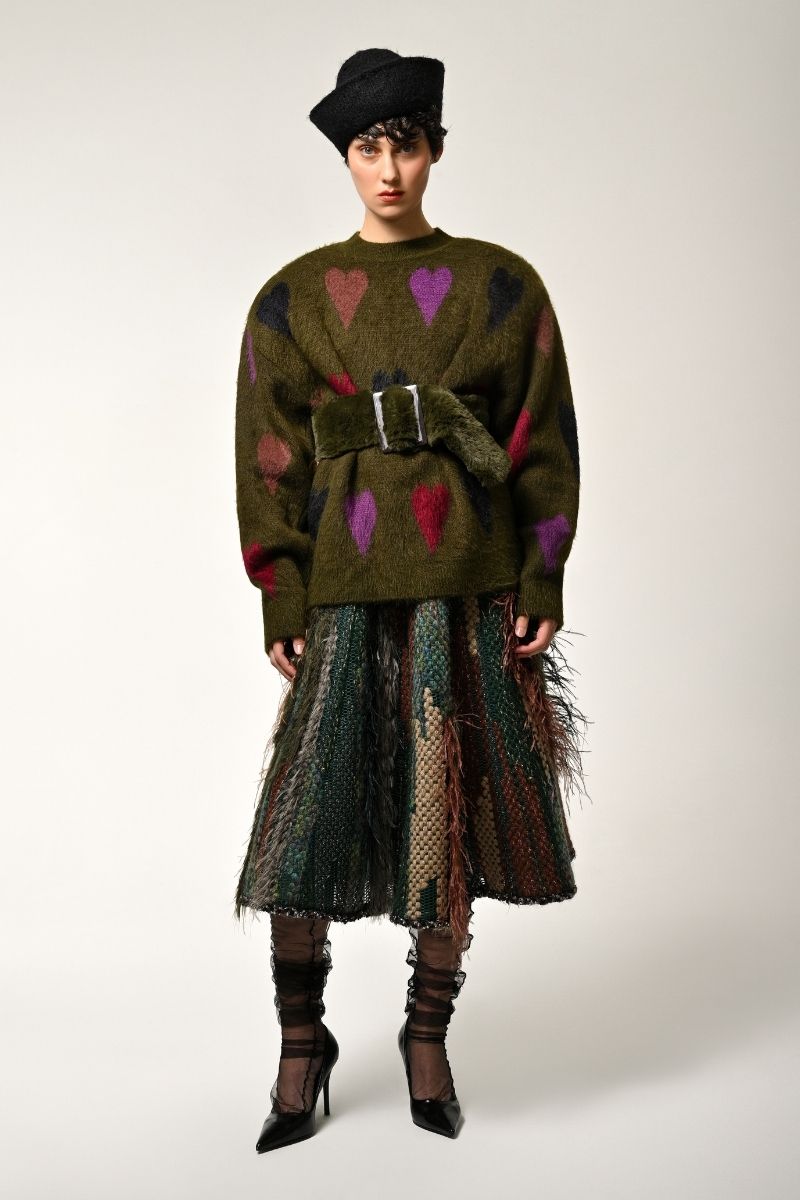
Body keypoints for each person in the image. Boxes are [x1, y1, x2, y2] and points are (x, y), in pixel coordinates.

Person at [231, 47, 589, 1152]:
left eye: (408, 144)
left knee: (447, 824)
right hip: (345, 595)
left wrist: (542, 572)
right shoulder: (293, 299)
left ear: (437, 148)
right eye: (367, 148)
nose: (388, 169)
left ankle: (425, 1038)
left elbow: (542, 440)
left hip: (465, 586)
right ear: (345, 158)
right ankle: (302, 1045)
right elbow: (268, 457)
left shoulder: (500, 285)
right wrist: (281, 593)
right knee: (304, 828)